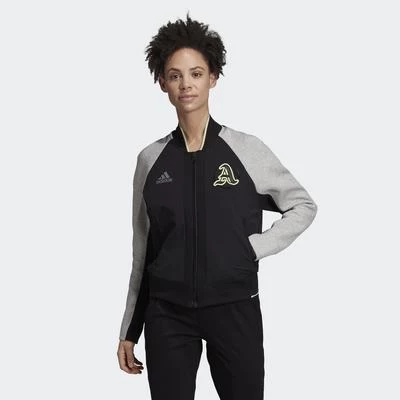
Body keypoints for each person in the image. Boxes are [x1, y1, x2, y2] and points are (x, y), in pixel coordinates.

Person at [117, 12, 318, 400]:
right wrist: (130, 329)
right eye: (175, 75)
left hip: (235, 308)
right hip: (167, 315)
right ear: (162, 83)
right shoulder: (150, 160)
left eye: (195, 73)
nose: (186, 84)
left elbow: (302, 205)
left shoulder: (246, 150)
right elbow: (143, 251)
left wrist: (252, 248)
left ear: (213, 78)